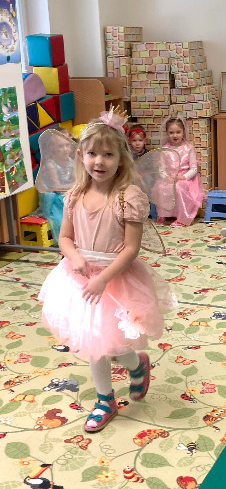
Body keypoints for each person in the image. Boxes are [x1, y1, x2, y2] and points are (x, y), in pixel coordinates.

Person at [38, 108, 176, 433]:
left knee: (119, 345)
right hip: (80, 280)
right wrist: (73, 256)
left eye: (108, 154)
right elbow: (65, 237)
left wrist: (103, 278)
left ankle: (137, 365)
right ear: (81, 156)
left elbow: (130, 249)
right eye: (92, 153)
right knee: (94, 344)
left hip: (115, 278)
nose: (99, 161)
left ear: (121, 159)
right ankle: (105, 400)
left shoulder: (128, 197)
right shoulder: (74, 195)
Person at [153, 115, 206, 226]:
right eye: (171, 132)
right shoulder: (164, 149)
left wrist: (183, 177)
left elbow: (194, 169)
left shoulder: (188, 148)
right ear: (167, 133)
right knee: (161, 188)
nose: (175, 135)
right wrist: (166, 177)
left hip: (185, 178)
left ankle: (182, 217)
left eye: (178, 132)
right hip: (169, 177)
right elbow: (161, 168)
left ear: (183, 132)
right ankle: (162, 215)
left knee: (178, 188)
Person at [37, 127, 75, 240]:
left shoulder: (70, 162)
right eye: (61, 146)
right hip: (54, 197)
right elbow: (56, 188)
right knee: (67, 203)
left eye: (67, 145)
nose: (65, 149)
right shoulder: (51, 165)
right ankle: (68, 237)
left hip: (66, 191)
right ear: (52, 149)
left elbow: (76, 179)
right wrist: (74, 186)